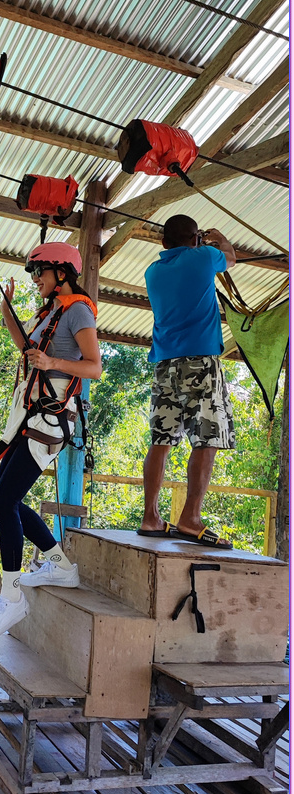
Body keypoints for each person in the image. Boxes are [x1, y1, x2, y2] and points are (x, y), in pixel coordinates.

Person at [0, 242, 102, 641]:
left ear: (62, 271)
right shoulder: (50, 313)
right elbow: (28, 350)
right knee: (6, 498)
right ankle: (60, 565)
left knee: (3, 501)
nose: (35, 279)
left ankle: (11, 597)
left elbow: (94, 366)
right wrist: (6, 312)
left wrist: (53, 364)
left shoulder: (77, 309)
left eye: (40, 272)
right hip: (30, 418)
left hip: (50, 420)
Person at [138, 215, 236, 549]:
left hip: (165, 364)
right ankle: (190, 517)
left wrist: (196, 241)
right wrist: (219, 238)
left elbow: (188, 255)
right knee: (207, 439)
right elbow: (230, 259)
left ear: (164, 243)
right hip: (201, 361)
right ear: (195, 239)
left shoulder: (153, 271)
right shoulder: (206, 257)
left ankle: (150, 517)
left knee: (160, 440)